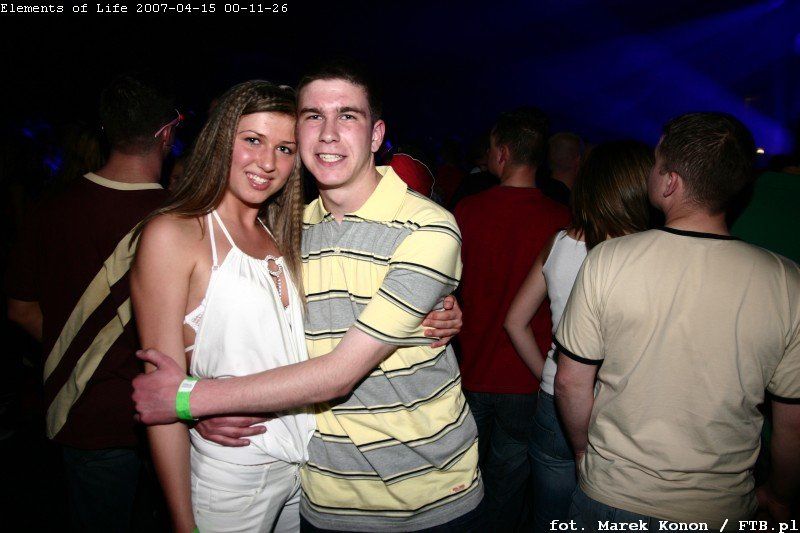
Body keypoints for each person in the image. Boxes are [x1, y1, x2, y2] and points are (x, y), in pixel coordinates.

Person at [132, 60, 480, 532]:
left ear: (376, 135)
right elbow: (193, 357)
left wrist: (196, 399)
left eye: (347, 116)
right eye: (314, 116)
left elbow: (333, 369)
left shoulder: (418, 228)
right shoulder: (296, 229)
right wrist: (197, 410)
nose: (329, 133)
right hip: (314, 487)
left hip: (420, 490)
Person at [554, 112, 800, 528]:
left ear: (670, 182)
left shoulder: (607, 260)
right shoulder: (787, 282)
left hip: (613, 494)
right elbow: (792, 425)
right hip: (719, 508)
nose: (651, 171)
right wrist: (780, 494)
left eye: (655, 162)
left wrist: (582, 451)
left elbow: (569, 382)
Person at [4, 74, 175, 531]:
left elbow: (20, 308)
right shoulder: (181, 217)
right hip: (169, 414)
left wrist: (79, 348)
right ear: (166, 134)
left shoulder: (49, 209)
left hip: (83, 412)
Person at [504, 141, 652, 532]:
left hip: (557, 402)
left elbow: (515, 322)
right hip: (619, 408)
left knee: (550, 519)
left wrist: (548, 375)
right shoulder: (650, 256)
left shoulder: (560, 243)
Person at [453, 106, 570, 530]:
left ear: (501, 153)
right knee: (507, 487)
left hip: (470, 372)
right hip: (528, 377)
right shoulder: (562, 220)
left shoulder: (465, 212)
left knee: (460, 481)